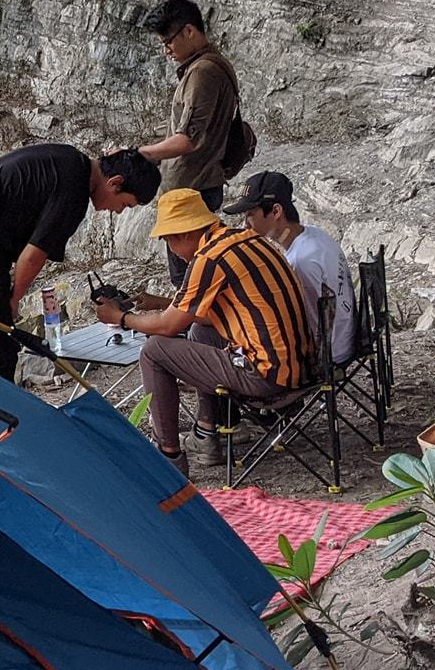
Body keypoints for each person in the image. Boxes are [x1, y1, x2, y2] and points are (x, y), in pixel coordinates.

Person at [93, 188, 312, 471]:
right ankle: (207, 434)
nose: (171, 250)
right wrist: (161, 303)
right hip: (301, 366)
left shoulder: (209, 258)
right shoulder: (244, 239)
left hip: (269, 376)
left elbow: (168, 326)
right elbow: (208, 314)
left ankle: (169, 456)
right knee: (200, 333)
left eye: (168, 241)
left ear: (183, 234)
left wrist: (121, 317)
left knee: (155, 351)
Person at [0, 145, 161, 380]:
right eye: (125, 204)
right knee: (1, 347)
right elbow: (34, 255)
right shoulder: (74, 191)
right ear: (115, 182)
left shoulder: (71, 161)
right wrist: (14, 299)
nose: (118, 212)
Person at [134, 0, 240, 288]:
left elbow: (188, 140)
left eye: (169, 41)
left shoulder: (203, 72)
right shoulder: (210, 66)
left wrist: (140, 153)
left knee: (190, 285)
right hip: (196, 188)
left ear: (190, 31)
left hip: (192, 194)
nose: (167, 49)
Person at [224, 171, 357, 366]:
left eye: (250, 214)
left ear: (276, 212)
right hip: (346, 340)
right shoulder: (316, 235)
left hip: (326, 354)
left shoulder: (299, 261)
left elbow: (294, 322)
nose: (246, 224)